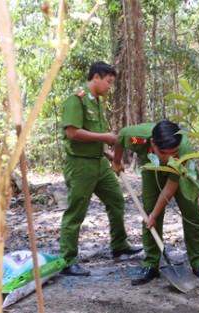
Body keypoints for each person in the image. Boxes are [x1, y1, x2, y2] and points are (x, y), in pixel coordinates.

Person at [60, 61, 142, 276]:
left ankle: (119, 245)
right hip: (80, 165)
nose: (109, 87)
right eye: (108, 81)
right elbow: (72, 133)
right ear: (96, 77)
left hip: (99, 162)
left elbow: (92, 137)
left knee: (116, 200)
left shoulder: (96, 102)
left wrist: (108, 154)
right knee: (76, 212)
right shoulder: (75, 100)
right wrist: (104, 137)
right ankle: (68, 260)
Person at [112, 120, 199, 285]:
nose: (167, 158)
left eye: (172, 153)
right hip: (151, 169)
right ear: (152, 143)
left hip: (181, 173)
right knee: (148, 212)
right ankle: (151, 264)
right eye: (163, 153)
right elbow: (120, 138)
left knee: (192, 213)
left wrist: (154, 215)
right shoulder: (138, 137)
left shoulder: (183, 149)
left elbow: (170, 188)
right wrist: (117, 161)